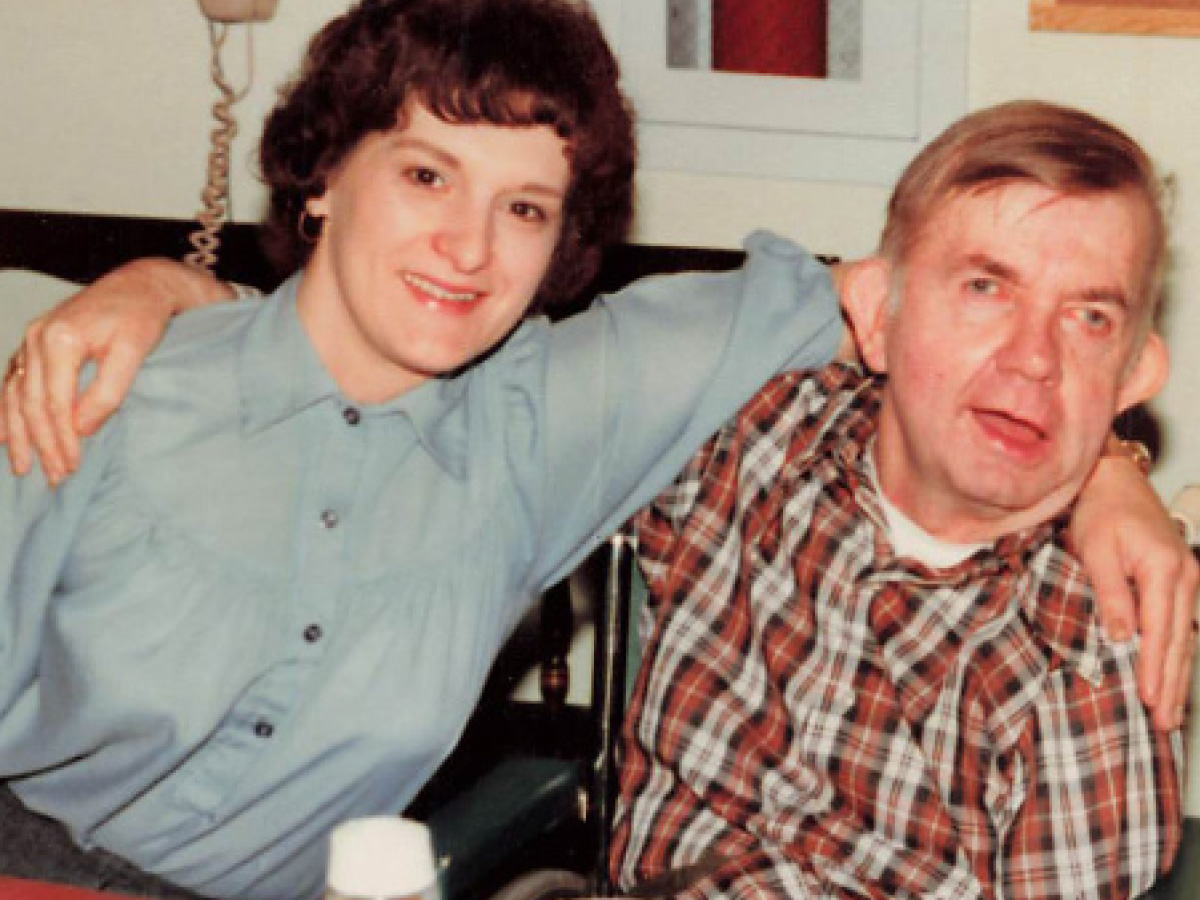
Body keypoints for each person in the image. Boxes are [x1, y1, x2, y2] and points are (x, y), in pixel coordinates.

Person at [0, 1, 1194, 894]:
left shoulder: (553, 420)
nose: (468, 248)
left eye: (524, 207)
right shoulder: (105, 390)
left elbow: (959, 333)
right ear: (323, 180)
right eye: (426, 173)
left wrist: (1104, 468)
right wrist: (161, 288)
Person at [610, 100, 1186, 900]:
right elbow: (577, 379)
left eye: (1089, 317)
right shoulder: (754, 437)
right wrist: (1117, 467)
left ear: (1128, 378)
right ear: (877, 315)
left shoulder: (1084, 658)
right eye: (987, 286)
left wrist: (1109, 463)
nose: (1034, 361)